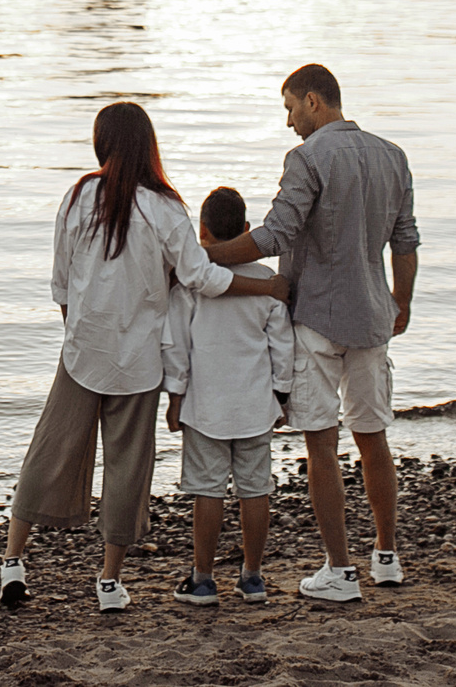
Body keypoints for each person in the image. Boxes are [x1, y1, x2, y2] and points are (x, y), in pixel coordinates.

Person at [0, 101, 263, 614]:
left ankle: (12, 561)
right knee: (126, 470)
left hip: (83, 353)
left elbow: (61, 284)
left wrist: (75, 333)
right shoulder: (165, 208)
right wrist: (268, 285)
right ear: (148, 144)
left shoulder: (79, 196)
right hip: (139, 363)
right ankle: (108, 583)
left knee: (48, 453)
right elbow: (200, 278)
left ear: (103, 144)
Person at [202, 63, 419, 604]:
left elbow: (275, 234)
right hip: (373, 315)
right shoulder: (393, 155)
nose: (289, 122)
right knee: (373, 438)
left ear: (315, 102)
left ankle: (340, 571)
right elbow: (406, 241)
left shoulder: (308, 157)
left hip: (318, 319)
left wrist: (202, 257)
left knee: (321, 445)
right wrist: (403, 300)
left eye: (290, 108)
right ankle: (386, 557)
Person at [164, 187, 293, 607]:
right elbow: (282, 346)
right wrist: (282, 394)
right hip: (256, 403)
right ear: (244, 231)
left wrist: (175, 395)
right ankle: (252, 577)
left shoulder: (192, 286)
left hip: (206, 406)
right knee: (255, 490)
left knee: (209, 490)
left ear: (202, 232)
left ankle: (202, 579)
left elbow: (177, 345)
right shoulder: (267, 284)